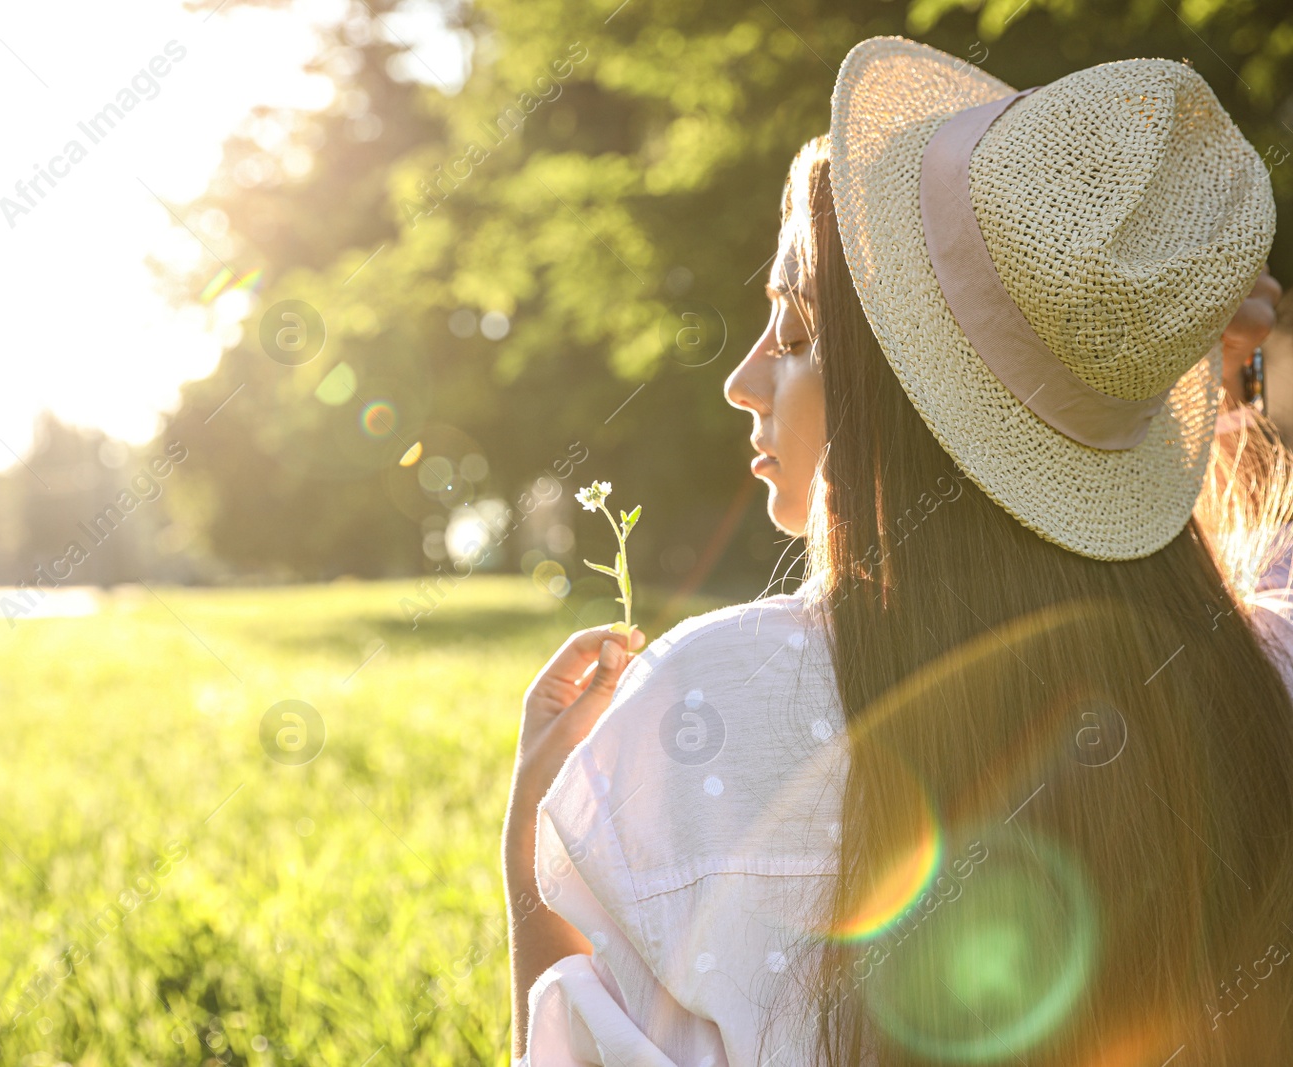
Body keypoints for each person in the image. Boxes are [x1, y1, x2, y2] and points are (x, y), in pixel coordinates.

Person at [503, 37, 1293, 1066]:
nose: (743, 378)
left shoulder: (705, 708)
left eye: (792, 326)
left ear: (897, 391)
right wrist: (1171, 375)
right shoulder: (1249, 686)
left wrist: (533, 876)